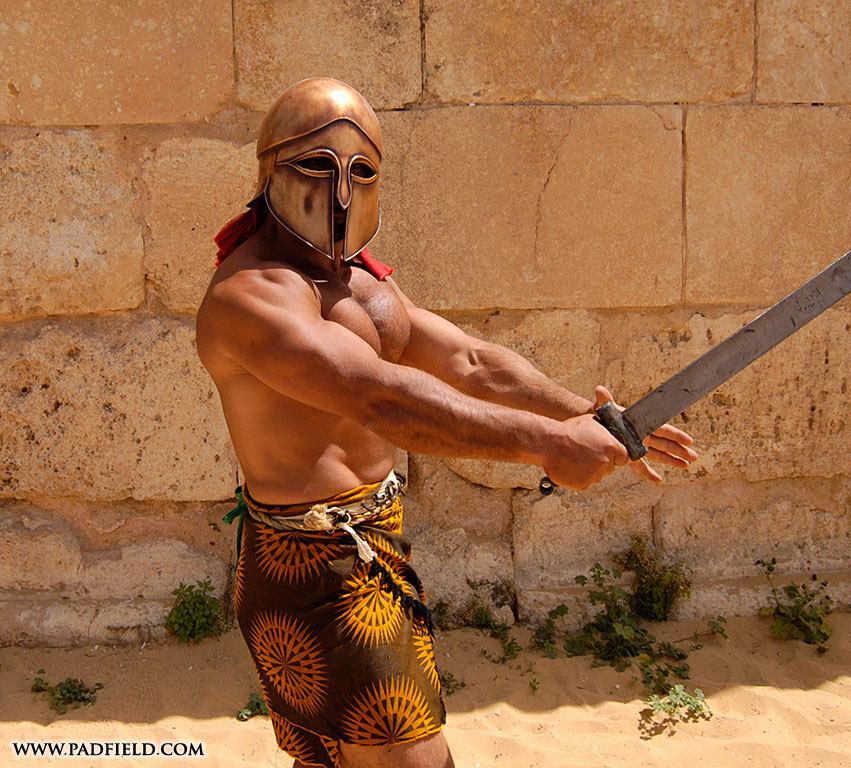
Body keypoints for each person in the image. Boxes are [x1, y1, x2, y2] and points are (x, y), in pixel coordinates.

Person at [196, 77, 697, 768]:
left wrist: (588, 415)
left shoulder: (359, 279)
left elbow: (467, 358)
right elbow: (378, 397)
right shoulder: (250, 298)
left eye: (360, 171)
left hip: (375, 546)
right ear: (270, 171)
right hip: (310, 571)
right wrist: (551, 446)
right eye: (316, 166)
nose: (341, 192)